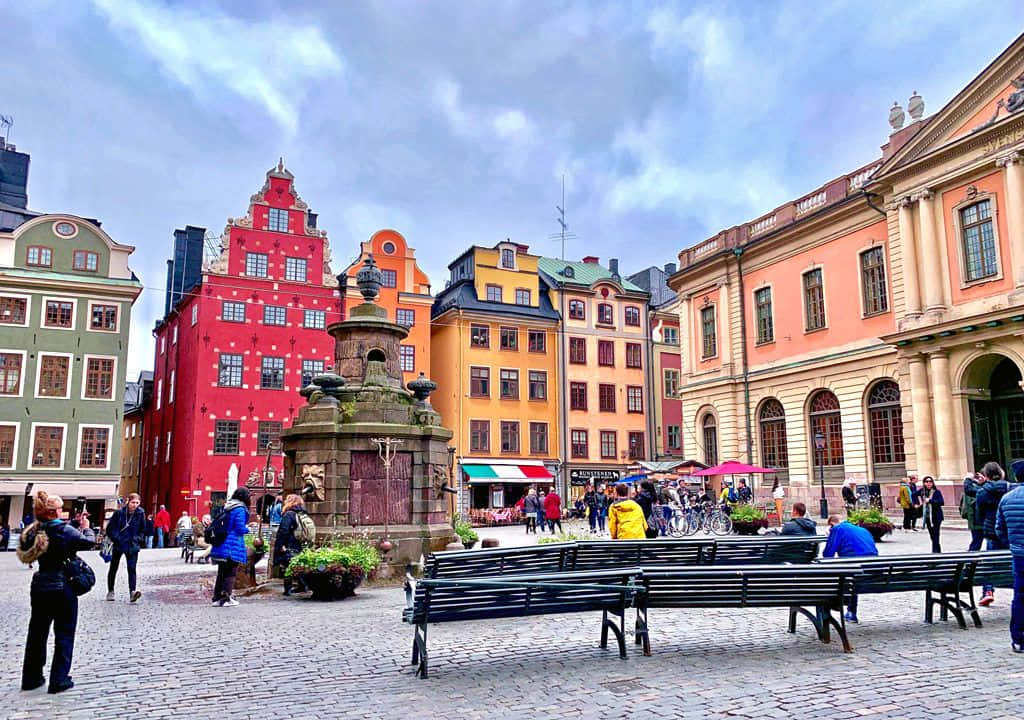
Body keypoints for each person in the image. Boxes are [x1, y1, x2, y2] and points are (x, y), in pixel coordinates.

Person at [17, 491, 96, 694]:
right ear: (56, 511)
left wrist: (75, 524)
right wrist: (86, 529)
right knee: (64, 633)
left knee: (37, 632)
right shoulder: (63, 530)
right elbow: (88, 542)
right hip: (63, 586)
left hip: (41, 584)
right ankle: (59, 679)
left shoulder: (36, 530)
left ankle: (31, 678)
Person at [822, 514, 878, 623]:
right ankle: (851, 612)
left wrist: (830, 536)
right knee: (852, 575)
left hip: (854, 571)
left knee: (846, 575)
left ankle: (837, 605)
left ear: (832, 524)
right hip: (872, 571)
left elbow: (828, 555)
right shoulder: (863, 530)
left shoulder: (837, 529)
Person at [977, 461, 1015, 606]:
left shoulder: (982, 492)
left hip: (992, 531)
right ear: (1001, 473)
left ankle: (988, 591)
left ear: (986, 475)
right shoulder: (1010, 488)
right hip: (1009, 531)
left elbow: (979, 515)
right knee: (1013, 562)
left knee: (990, 564)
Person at [995, 481, 1024, 653]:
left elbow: (999, 529)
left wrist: (1012, 545)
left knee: (1020, 596)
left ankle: (1019, 638)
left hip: (1019, 556)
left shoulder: (1007, 499)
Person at [210, 488, 250, 607]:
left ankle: (217, 598)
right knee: (231, 572)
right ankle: (226, 598)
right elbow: (239, 528)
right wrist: (248, 529)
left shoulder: (228, 507)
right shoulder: (240, 509)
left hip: (222, 543)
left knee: (221, 572)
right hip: (232, 545)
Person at [105, 493, 145, 603]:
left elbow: (142, 530)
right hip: (119, 544)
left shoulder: (140, 514)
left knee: (131, 569)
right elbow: (110, 529)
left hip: (132, 545)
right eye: (133, 502)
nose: (135, 505)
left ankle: (132, 592)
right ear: (128, 501)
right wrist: (117, 538)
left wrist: (137, 539)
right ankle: (111, 590)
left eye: (137, 503)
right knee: (114, 568)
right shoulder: (119, 513)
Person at [274, 494, 311, 596]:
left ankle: (287, 589)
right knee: (298, 565)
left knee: (288, 566)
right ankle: (303, 586)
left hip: (290, 543)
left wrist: (280, 545)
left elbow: (283, 531)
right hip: (300, 543)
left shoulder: (289, 514)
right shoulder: (302, 513)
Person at [920, 476, 944, 553]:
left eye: (930, 481)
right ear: (924, 483)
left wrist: (930, 500)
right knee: (932, 535)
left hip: (936, 516)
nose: (928, 483)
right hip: (927, 517)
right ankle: (937, 550)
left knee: (936, 534)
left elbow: (941, 502)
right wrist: (917, 503)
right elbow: (913, 495)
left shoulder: (936, 492)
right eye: (926, 481)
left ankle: (935, 552)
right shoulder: (922, 492)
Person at [962, 473, 985, 551]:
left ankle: (971, 559)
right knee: (977, 541)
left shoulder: (983, 489)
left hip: (980, 519)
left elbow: (968, 489)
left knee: (977, 541)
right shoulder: (976, 488)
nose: (979, 478)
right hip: (976, 520)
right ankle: (971, 559)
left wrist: (968, 479)